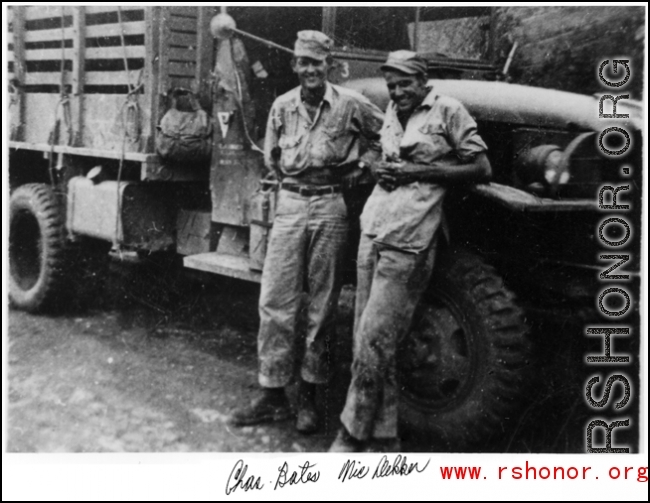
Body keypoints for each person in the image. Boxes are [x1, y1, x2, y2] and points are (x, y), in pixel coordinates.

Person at [329, 50, 492, 452]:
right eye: (392, 85)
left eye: (405, 84)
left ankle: (350, 434)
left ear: (423, 82)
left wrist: (418, 172)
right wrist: (378, 169)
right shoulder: (391, 112)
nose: (398, 91)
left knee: (376, 338)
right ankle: (384, 438)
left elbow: (481, 168)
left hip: (412, 237)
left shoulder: (448, 110)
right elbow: (385, 158)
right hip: (375, 229)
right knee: (365, 336)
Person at [229, 31, 384, 434]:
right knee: (275, 299)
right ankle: (273, 392)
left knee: (322, 305)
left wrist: (363, 167)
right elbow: (272, 156)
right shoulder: (282, 106)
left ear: (328, 65)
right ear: (294, 65)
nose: (310, 69)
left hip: (332, 205)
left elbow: (387, 137)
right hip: (291, 203)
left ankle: (311, 398)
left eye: (317, 62)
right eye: (303, 62)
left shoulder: (351, 104)